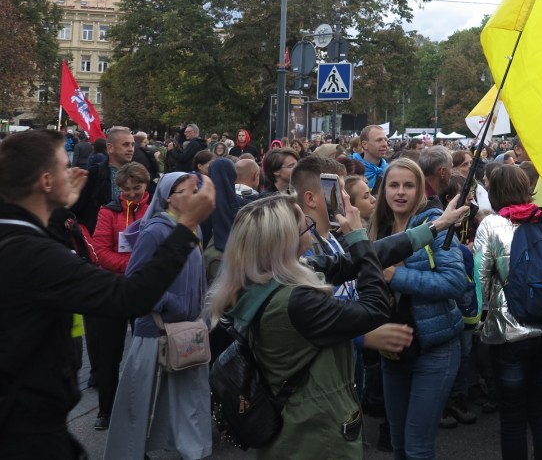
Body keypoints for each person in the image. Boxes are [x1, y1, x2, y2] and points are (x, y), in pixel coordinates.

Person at [0, 131, 215, 460]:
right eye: (64, 165)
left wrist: (57, 213)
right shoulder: (32, 254)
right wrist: (185, 227)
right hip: (25, 429)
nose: (73, 170)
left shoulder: (23, 235)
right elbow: (129, 296)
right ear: (46, 181)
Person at [206, 192, 394, 459]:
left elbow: (346, 264)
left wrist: (432, 229)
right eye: (303, 223)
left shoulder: (261, 280)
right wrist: (358, 236)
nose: (310, 225)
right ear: (287, 241)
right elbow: (375, 309)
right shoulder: (295, 300)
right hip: (316, 433)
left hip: (292, 425)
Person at [103, 173, 217, 460]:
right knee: (141, 397)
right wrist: (172, 304)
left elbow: (198, 277)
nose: (194, 195)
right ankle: (130, 453)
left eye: (196, 190)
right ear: (169, 197)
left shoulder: (194, 228)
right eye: (186, 190)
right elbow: (136, 280)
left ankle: (193, 450)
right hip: (156, 329)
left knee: (189, 393)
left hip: (188, 329)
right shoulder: (154, 230)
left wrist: (202, 312)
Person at [473, 164, 542, 459]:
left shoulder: (490, 226)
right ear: (527, 189)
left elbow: (479, 284)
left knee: (513, 416)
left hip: (508, 333)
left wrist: (479, 324)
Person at [369, 158, 468, 460]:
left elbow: (455, 282)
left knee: (417, 447)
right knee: (398, 444)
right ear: (383, 189)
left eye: (408, 186)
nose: (400, 192)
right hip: (393, 349)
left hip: (434, 349)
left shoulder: (434, 222)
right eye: (394, 185)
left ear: (419, 191)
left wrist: (396, 276)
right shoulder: (377, 228)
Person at [88, 162, 153, 430]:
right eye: (126, 190)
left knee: (144, 355)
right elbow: (99, 249)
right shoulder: (108, 211)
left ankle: (143, 408)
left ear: (145, 186)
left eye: (136, 188)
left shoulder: (155, 209)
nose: (131, 194)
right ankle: (106, 410)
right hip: (115, 286)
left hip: (143, 287)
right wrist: (129, 266)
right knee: (109, 353)